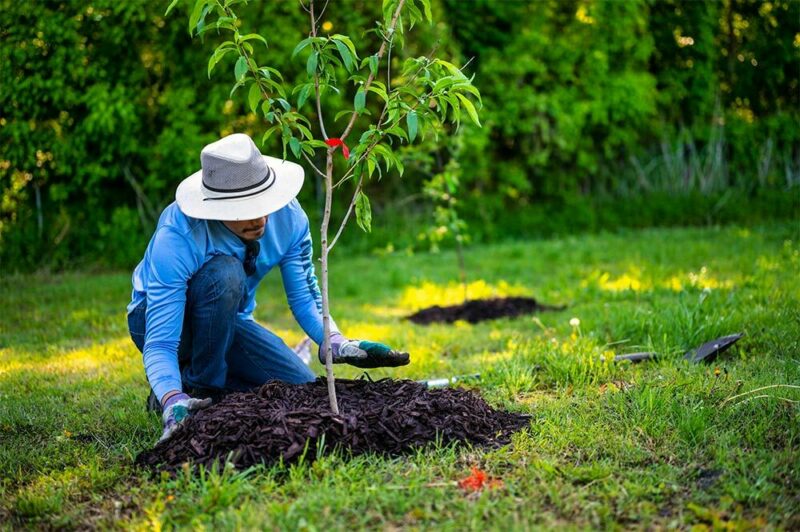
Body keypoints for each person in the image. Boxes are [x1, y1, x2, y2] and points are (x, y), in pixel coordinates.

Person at [127, 133, 409, 442]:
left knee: (300, 386)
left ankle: (199, 383)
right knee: (225, 273)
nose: (260, 217)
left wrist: (335, 342)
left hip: (228, 321)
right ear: (215, 208)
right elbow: (161, 342)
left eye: (263, 203)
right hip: (160, 322)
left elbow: (304, 295)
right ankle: (194, 390)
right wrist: (171, 398)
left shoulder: (289, 218)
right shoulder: (179, 235)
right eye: (243, 208)